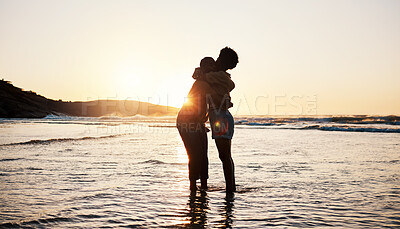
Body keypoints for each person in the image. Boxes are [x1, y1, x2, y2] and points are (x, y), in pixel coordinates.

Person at [176, 62, 217, 191]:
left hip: (196, 122)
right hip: (187, 121)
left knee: (202, 155)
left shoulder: (202, 82)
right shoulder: (202, 84)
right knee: (195, 155)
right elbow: (217, 99)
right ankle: (194, 187)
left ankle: (202, 186)